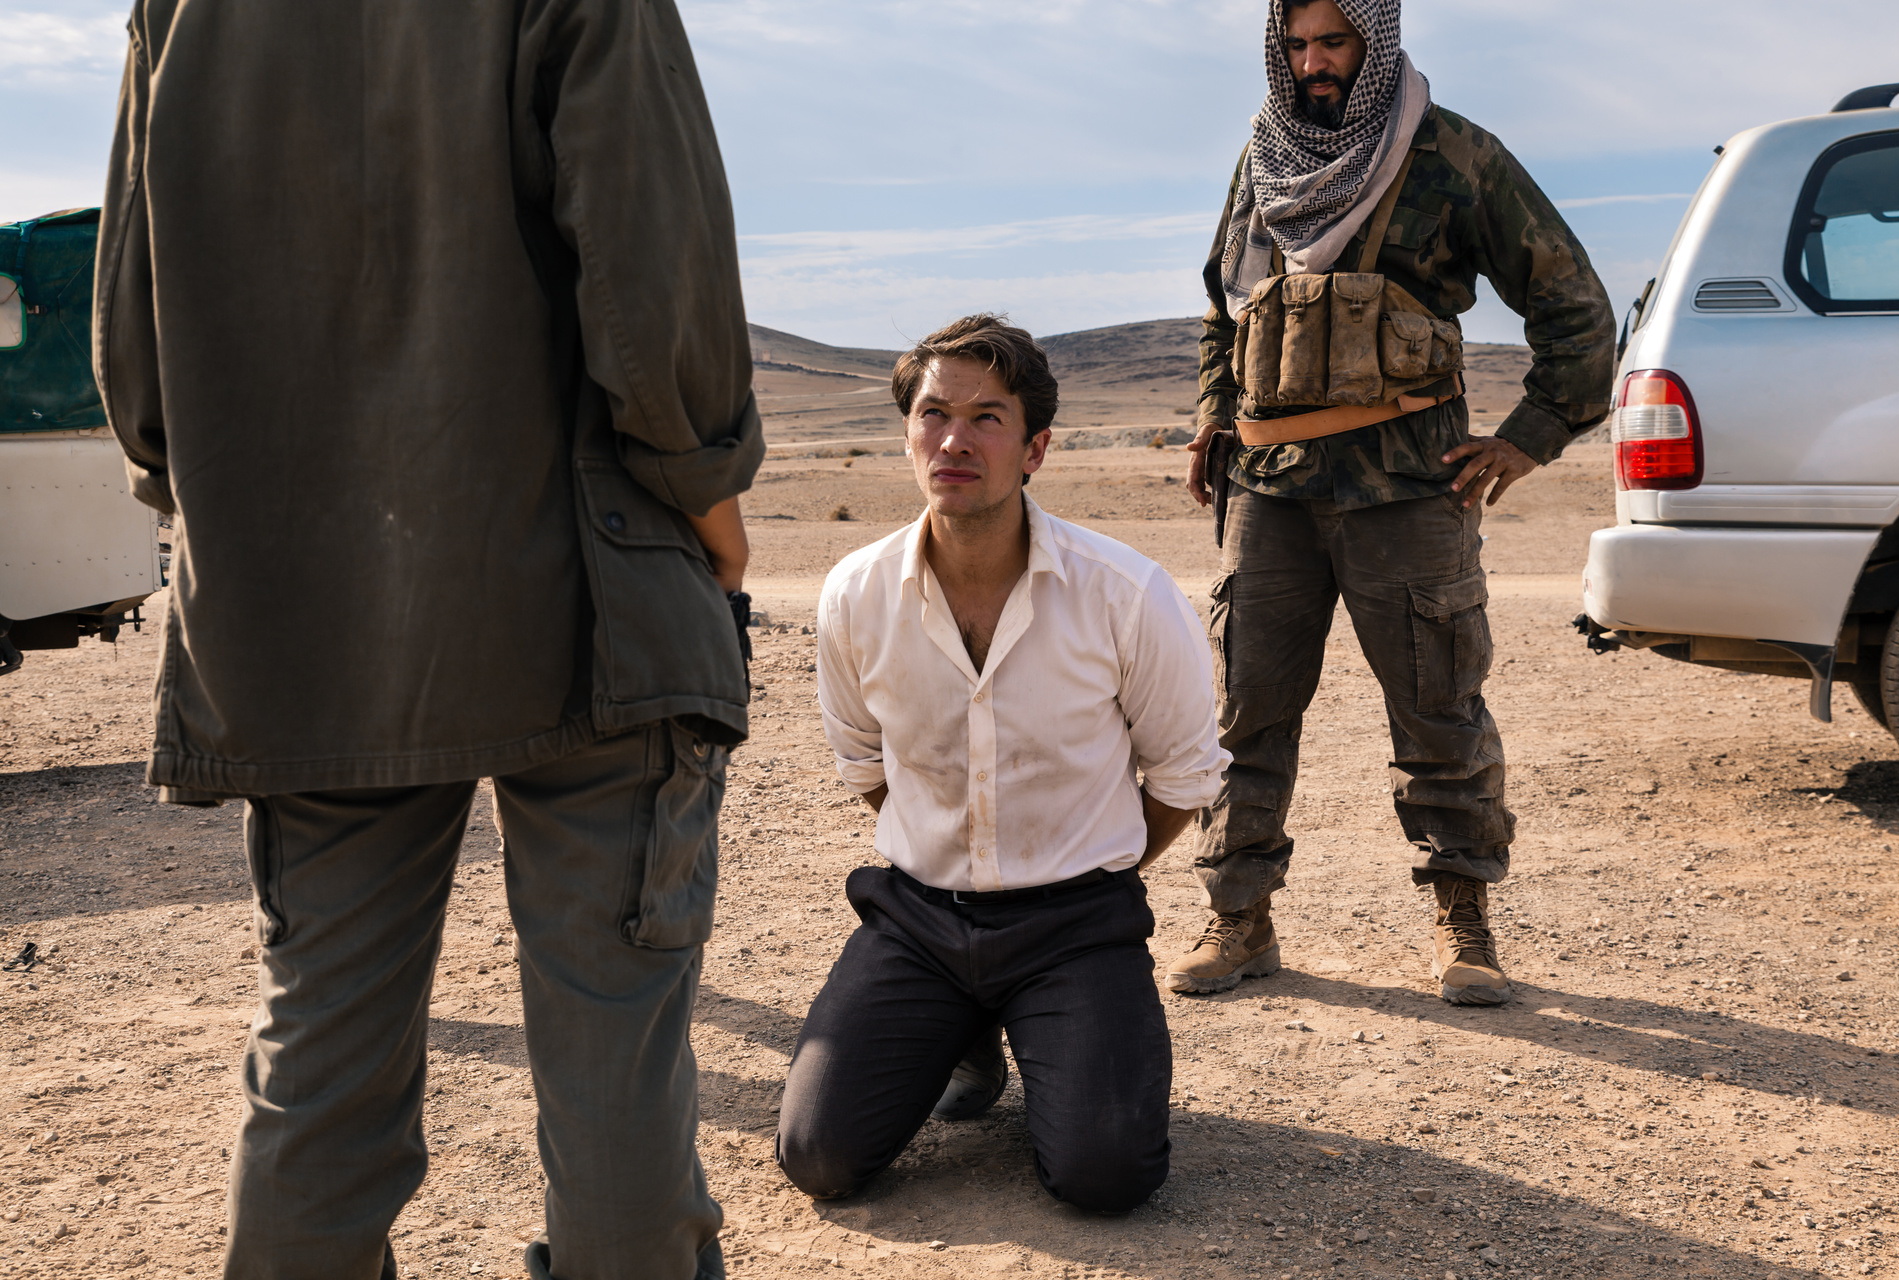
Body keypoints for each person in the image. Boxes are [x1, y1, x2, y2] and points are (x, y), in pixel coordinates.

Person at [93, 3, 761, 1277]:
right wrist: (710, 501)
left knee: (321, 1057)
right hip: (588, 592)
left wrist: (261, 524)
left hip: (306, 617)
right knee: (614, 1055)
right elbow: (652, 266)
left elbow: (137, 354)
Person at [1169, 0, 1615, 1003]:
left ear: (1374, 45)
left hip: (1410, 486)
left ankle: (1465, 921)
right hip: (1270, 488)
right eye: (1296, 45)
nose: (1313, 63)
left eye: (1334, 43)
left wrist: (1530, 434)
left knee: (1438, 709)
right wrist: (1213, 415)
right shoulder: (1265, 158)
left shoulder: (1453, 154)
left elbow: (1575, 306)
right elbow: (1223, 310)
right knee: (1243, 712)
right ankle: (1238, 919)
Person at [775, 315, 1228, 1213]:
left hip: (1077, 922)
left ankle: (1045, 1025)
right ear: (909, 435)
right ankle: (964, 1022)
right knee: (818, 1157)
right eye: (934, 414)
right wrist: (956, 861)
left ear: (1035, 449)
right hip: (920, 921)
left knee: (1107, 1176)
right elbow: (866, 763)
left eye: (987, 418)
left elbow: (1182, 779)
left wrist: (1083, 868)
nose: (954, 440)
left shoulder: (1124, 593)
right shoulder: (856, 594)